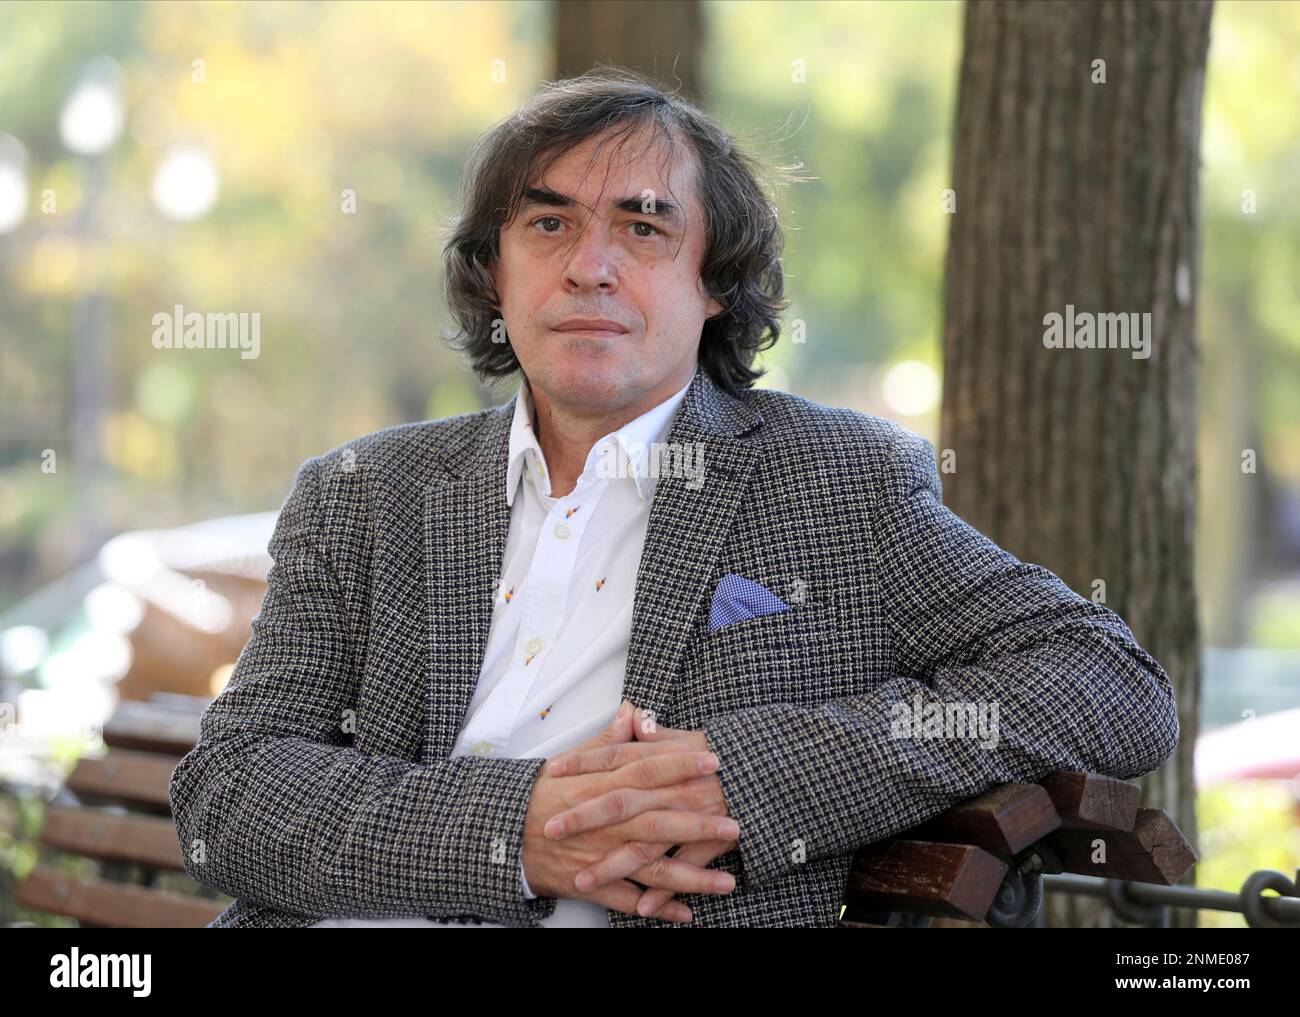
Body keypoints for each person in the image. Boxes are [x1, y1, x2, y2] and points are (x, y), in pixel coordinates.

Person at [169, 69, 1179, 929]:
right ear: (495, 276)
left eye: (643, 228)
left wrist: (735, 774)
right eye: (547, 223)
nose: (590, 267)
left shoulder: (837, 481)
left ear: (714, 283)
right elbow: (228, 793)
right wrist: (514, 834)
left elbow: (1105, 682)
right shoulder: (364, 494)